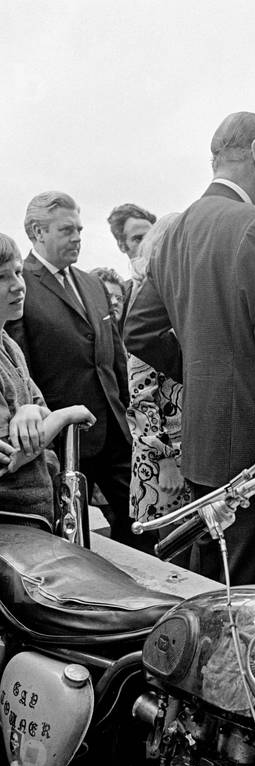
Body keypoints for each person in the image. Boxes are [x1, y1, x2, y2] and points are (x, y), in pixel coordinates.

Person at [125, 111, 255, 583]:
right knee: (249, 583)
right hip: (250, 439)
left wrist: (204, 373)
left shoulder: (178, 229)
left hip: (201, 439)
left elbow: (139, 330)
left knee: (215, 573)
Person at [11, 192, 137, 545]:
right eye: (67, 230)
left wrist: (127, 413)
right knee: (72, 542)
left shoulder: (92, 283)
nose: (78, 237)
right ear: (37, 232)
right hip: (63, 441)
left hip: (113, 432)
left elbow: (114, 357)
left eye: (80, 229)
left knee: (141, 531)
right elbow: (23, 370)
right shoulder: (20, 287)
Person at [0, 233, 95, 523]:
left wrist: (31, 410)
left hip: (33, 513)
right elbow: (10, 457)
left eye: (18, 272)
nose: (18, 285)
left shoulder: (9, 345)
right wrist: (68, 415)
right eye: (2, 277)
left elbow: (41, 412)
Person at [124, 213, 187, 525]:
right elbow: (141, 395)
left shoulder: (179, 298)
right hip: (160, 458)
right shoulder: (147, 301)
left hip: (185, 450)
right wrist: (166, 461)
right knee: (169, 551)